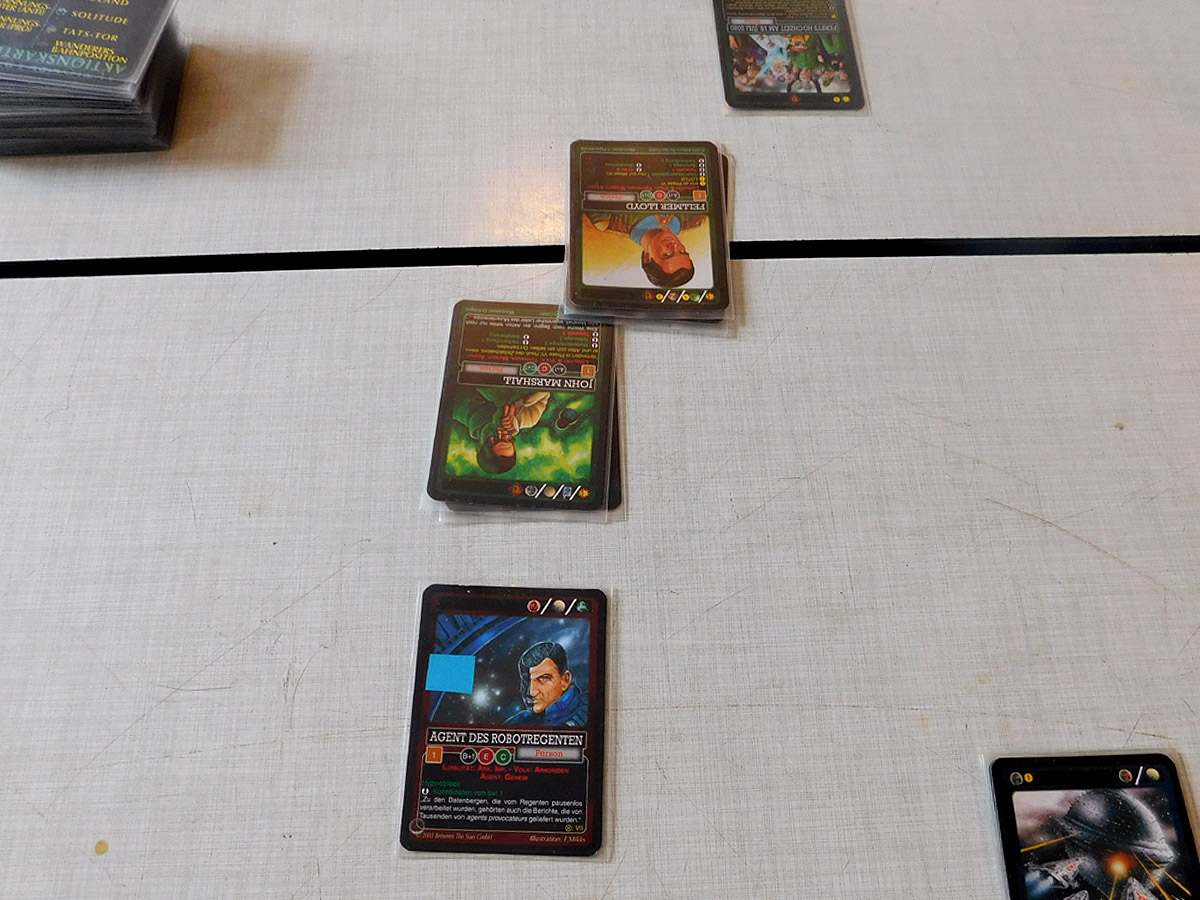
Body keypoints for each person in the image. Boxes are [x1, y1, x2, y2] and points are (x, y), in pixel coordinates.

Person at [585, 211, 702, 287]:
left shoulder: (610, 222)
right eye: (682, 252)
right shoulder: (694, 219)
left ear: (647, 257)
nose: (675, 246)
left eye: (667, 255)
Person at [451, 388, 552, 474]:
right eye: (507, 439)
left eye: (492, 440)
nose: (500, 433)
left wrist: (503, 403)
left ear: (479, 446)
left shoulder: (456, 408)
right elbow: (546, 389)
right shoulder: (528, 418)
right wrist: (520, 403)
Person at [505, 641, 588, 726]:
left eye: (544, 678)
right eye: (526, 681)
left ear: (565, 680)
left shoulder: (589, 711)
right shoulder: (516, 723)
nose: (531, 692)